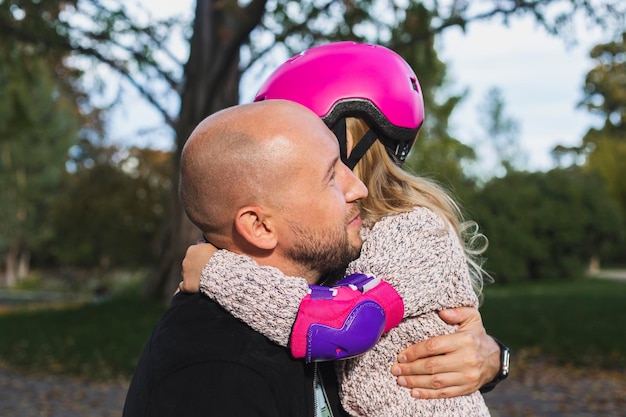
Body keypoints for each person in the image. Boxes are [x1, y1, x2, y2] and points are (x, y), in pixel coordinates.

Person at [179, 42, 509, 416]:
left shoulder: (413, 230)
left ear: (346, 137)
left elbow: (345, 326)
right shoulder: (330, 240)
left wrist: (217, 272)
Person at [122, 99, 373, 417]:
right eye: (330, 178)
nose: (359, 188)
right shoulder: (217, 376)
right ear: (259, 226)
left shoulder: (317, 300)